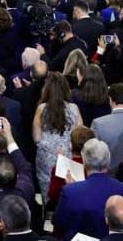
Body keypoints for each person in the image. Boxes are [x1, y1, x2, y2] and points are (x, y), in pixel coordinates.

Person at [52, 138, 123, 240]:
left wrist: (73, 188)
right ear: (108, 162)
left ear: (84, 162)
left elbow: (58, 222)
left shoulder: (70, 191)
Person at [33, 72, 83, 200]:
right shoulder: (74, 109)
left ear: (47, 89)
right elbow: (79, 136)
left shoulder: (41, 109)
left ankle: (48, 212)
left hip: (46, 156)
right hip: (69, 154)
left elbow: (36, 137)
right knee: (70, 189)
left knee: (48, 190)